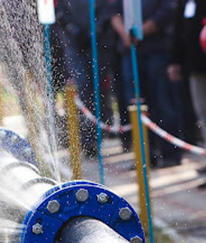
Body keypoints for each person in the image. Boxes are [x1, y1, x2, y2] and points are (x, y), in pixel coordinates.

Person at [110, 0, 184, 168]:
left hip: (157, 49)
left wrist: (140, 32)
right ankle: (146, 156)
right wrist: (125, 35)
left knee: (164, 103)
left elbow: (167, 11)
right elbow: (114, 13)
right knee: (136, 105)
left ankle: (171, 153)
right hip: (130, 52)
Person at [56, 0, 115, 157]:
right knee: (83, 90)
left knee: (99, 91)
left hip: (98, 43)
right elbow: (60, 12)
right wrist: (73, 30)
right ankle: (87, 141)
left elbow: (107, 9)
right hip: (74, 45)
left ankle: (100, 133)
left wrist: (97, 29)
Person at [168, 0, 206, 168]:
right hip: (195, 69)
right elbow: (179, 32)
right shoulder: (185, 3)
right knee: (203, 114)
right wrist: (174, 61)